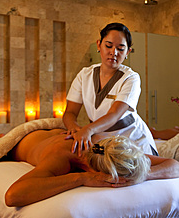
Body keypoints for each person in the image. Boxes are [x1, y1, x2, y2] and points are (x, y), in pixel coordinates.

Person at [3, 129, 179, 207]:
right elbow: (13, 196)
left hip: (60, 131)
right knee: (4, 138)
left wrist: (145, 175)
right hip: (26, 139)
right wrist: (81, 179)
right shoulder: (61, 159)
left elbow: (178, 167)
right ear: (95, 171)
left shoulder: (109, 149)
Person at [63, 22, 157, 157]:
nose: (114, 52)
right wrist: (73, 128)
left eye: (120, 48)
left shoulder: (131, 78)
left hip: (131, 139)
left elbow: (114, 115)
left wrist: (88, 129)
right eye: (108, 45)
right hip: (101, 138)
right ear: (98, 45)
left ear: (127, 52)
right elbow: (70, 112)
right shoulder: (85, 75)